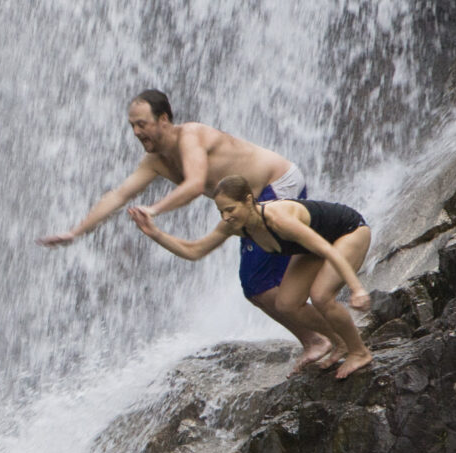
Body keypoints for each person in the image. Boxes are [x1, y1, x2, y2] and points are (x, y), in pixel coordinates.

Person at [127, 175, 376, 377]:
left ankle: (359, 351)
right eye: (221, 211)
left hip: (348, 232)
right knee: (286, 304)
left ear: (248, 200)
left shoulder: (278, 220)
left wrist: (357, 289)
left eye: (230, 209)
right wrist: (154, 233)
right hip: (315, 245)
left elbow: (326, 249)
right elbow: (195, 250)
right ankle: (338, 341)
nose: (226, 217)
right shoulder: (236, 224)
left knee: (321, 296)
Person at [38, 90, 307, 248]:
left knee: (262, 282)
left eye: (142, 124)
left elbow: (194, 184)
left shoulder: (190, 136)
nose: (135, 132)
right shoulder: (155, 160)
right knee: (257, 290)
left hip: (278, 183)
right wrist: (77, 232)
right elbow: (119, 195)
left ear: (163, 119)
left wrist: (154, 210)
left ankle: (321, 338)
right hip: (252, 202)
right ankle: (316, 339)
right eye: (132, 125)